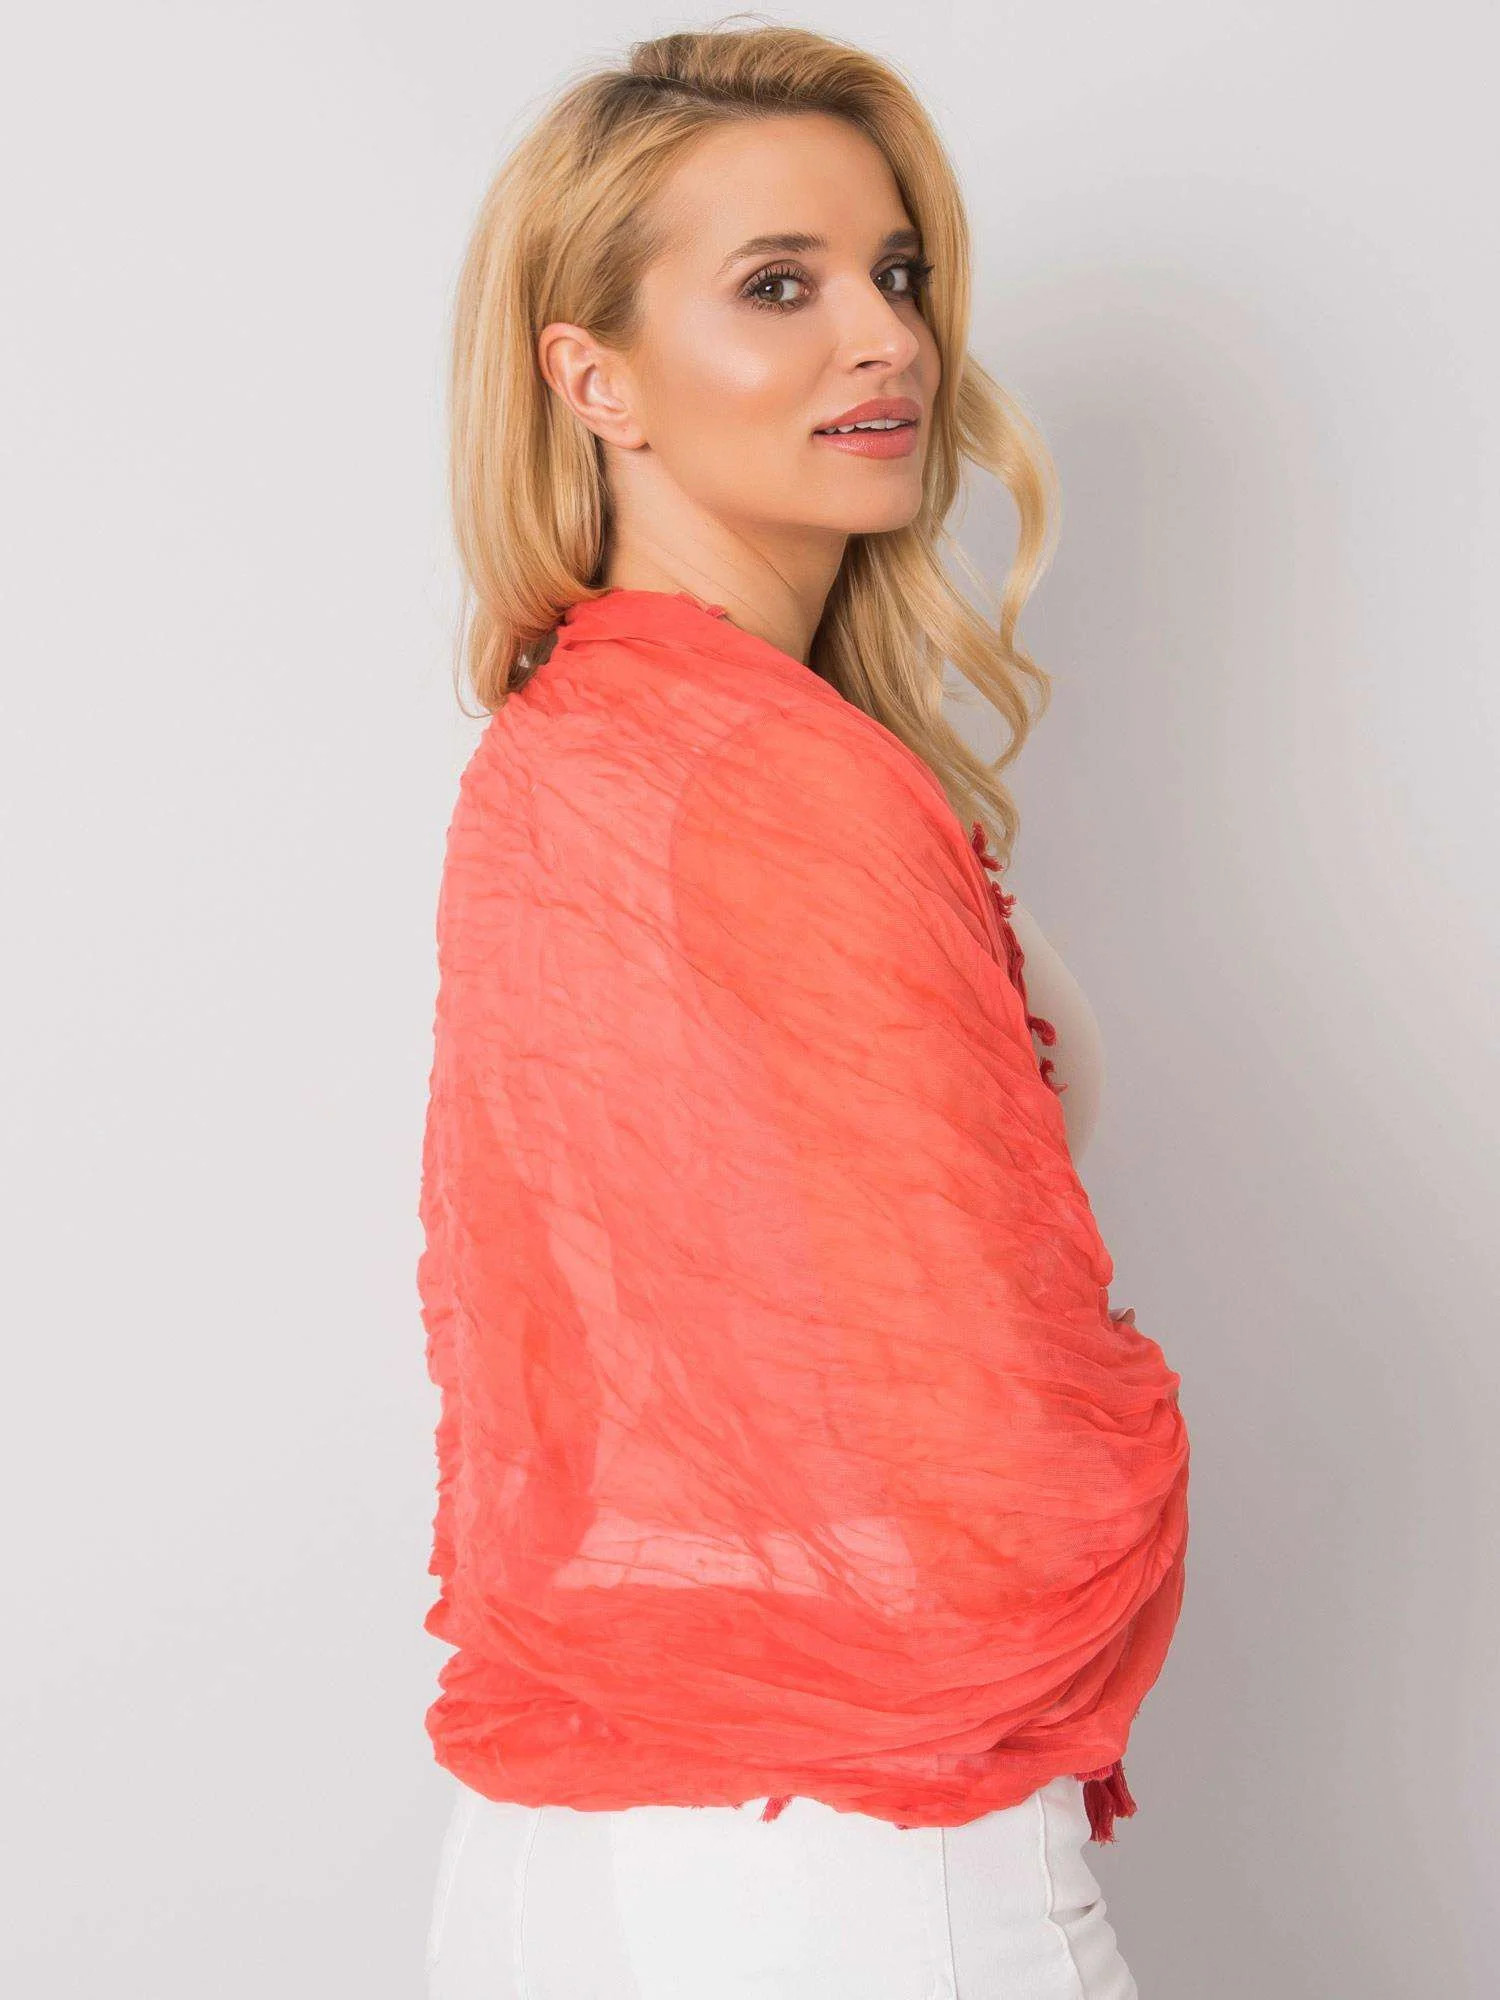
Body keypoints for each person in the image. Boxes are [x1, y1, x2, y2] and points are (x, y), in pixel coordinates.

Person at [417, 23, 1189, 1998]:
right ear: (591, 374)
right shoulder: (760, 776)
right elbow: (966, 1401)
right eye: (782, 285)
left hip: (587, 1845)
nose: (886, 339)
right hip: (845, 1854)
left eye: (896, 272)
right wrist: (1125, 1440)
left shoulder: (579, 741)